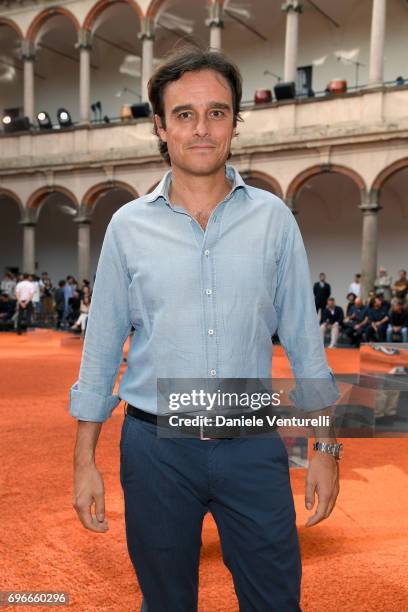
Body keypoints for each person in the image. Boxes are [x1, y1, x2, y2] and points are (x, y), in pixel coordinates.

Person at [70, 47, 341, 612]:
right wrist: (84, 461)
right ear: (160, 127)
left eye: (217, 113)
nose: (201, 128)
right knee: (166, 603)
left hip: (252, 443)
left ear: (234, 125)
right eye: (185, 114)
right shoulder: (126, 227)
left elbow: (305, 346)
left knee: (275, 602)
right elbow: (101, 350)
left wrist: (325, 446)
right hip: (154, 450)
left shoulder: (273, 220)